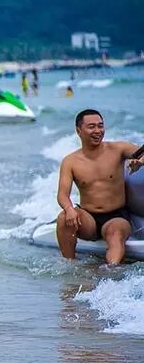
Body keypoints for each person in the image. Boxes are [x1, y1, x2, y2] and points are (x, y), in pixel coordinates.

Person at [56, 109, 144, 265]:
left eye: (100, 126)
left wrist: (140, 162)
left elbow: (142, 152)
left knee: (115, 233)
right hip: (88, 218)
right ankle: (70, 266)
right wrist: (69, 210)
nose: (98, 131)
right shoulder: (70, 161)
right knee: (63, 217)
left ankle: (110, 271)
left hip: (117, 216)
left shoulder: (118, 149)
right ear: (79, 131)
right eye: (91, 127)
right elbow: (62, 195)